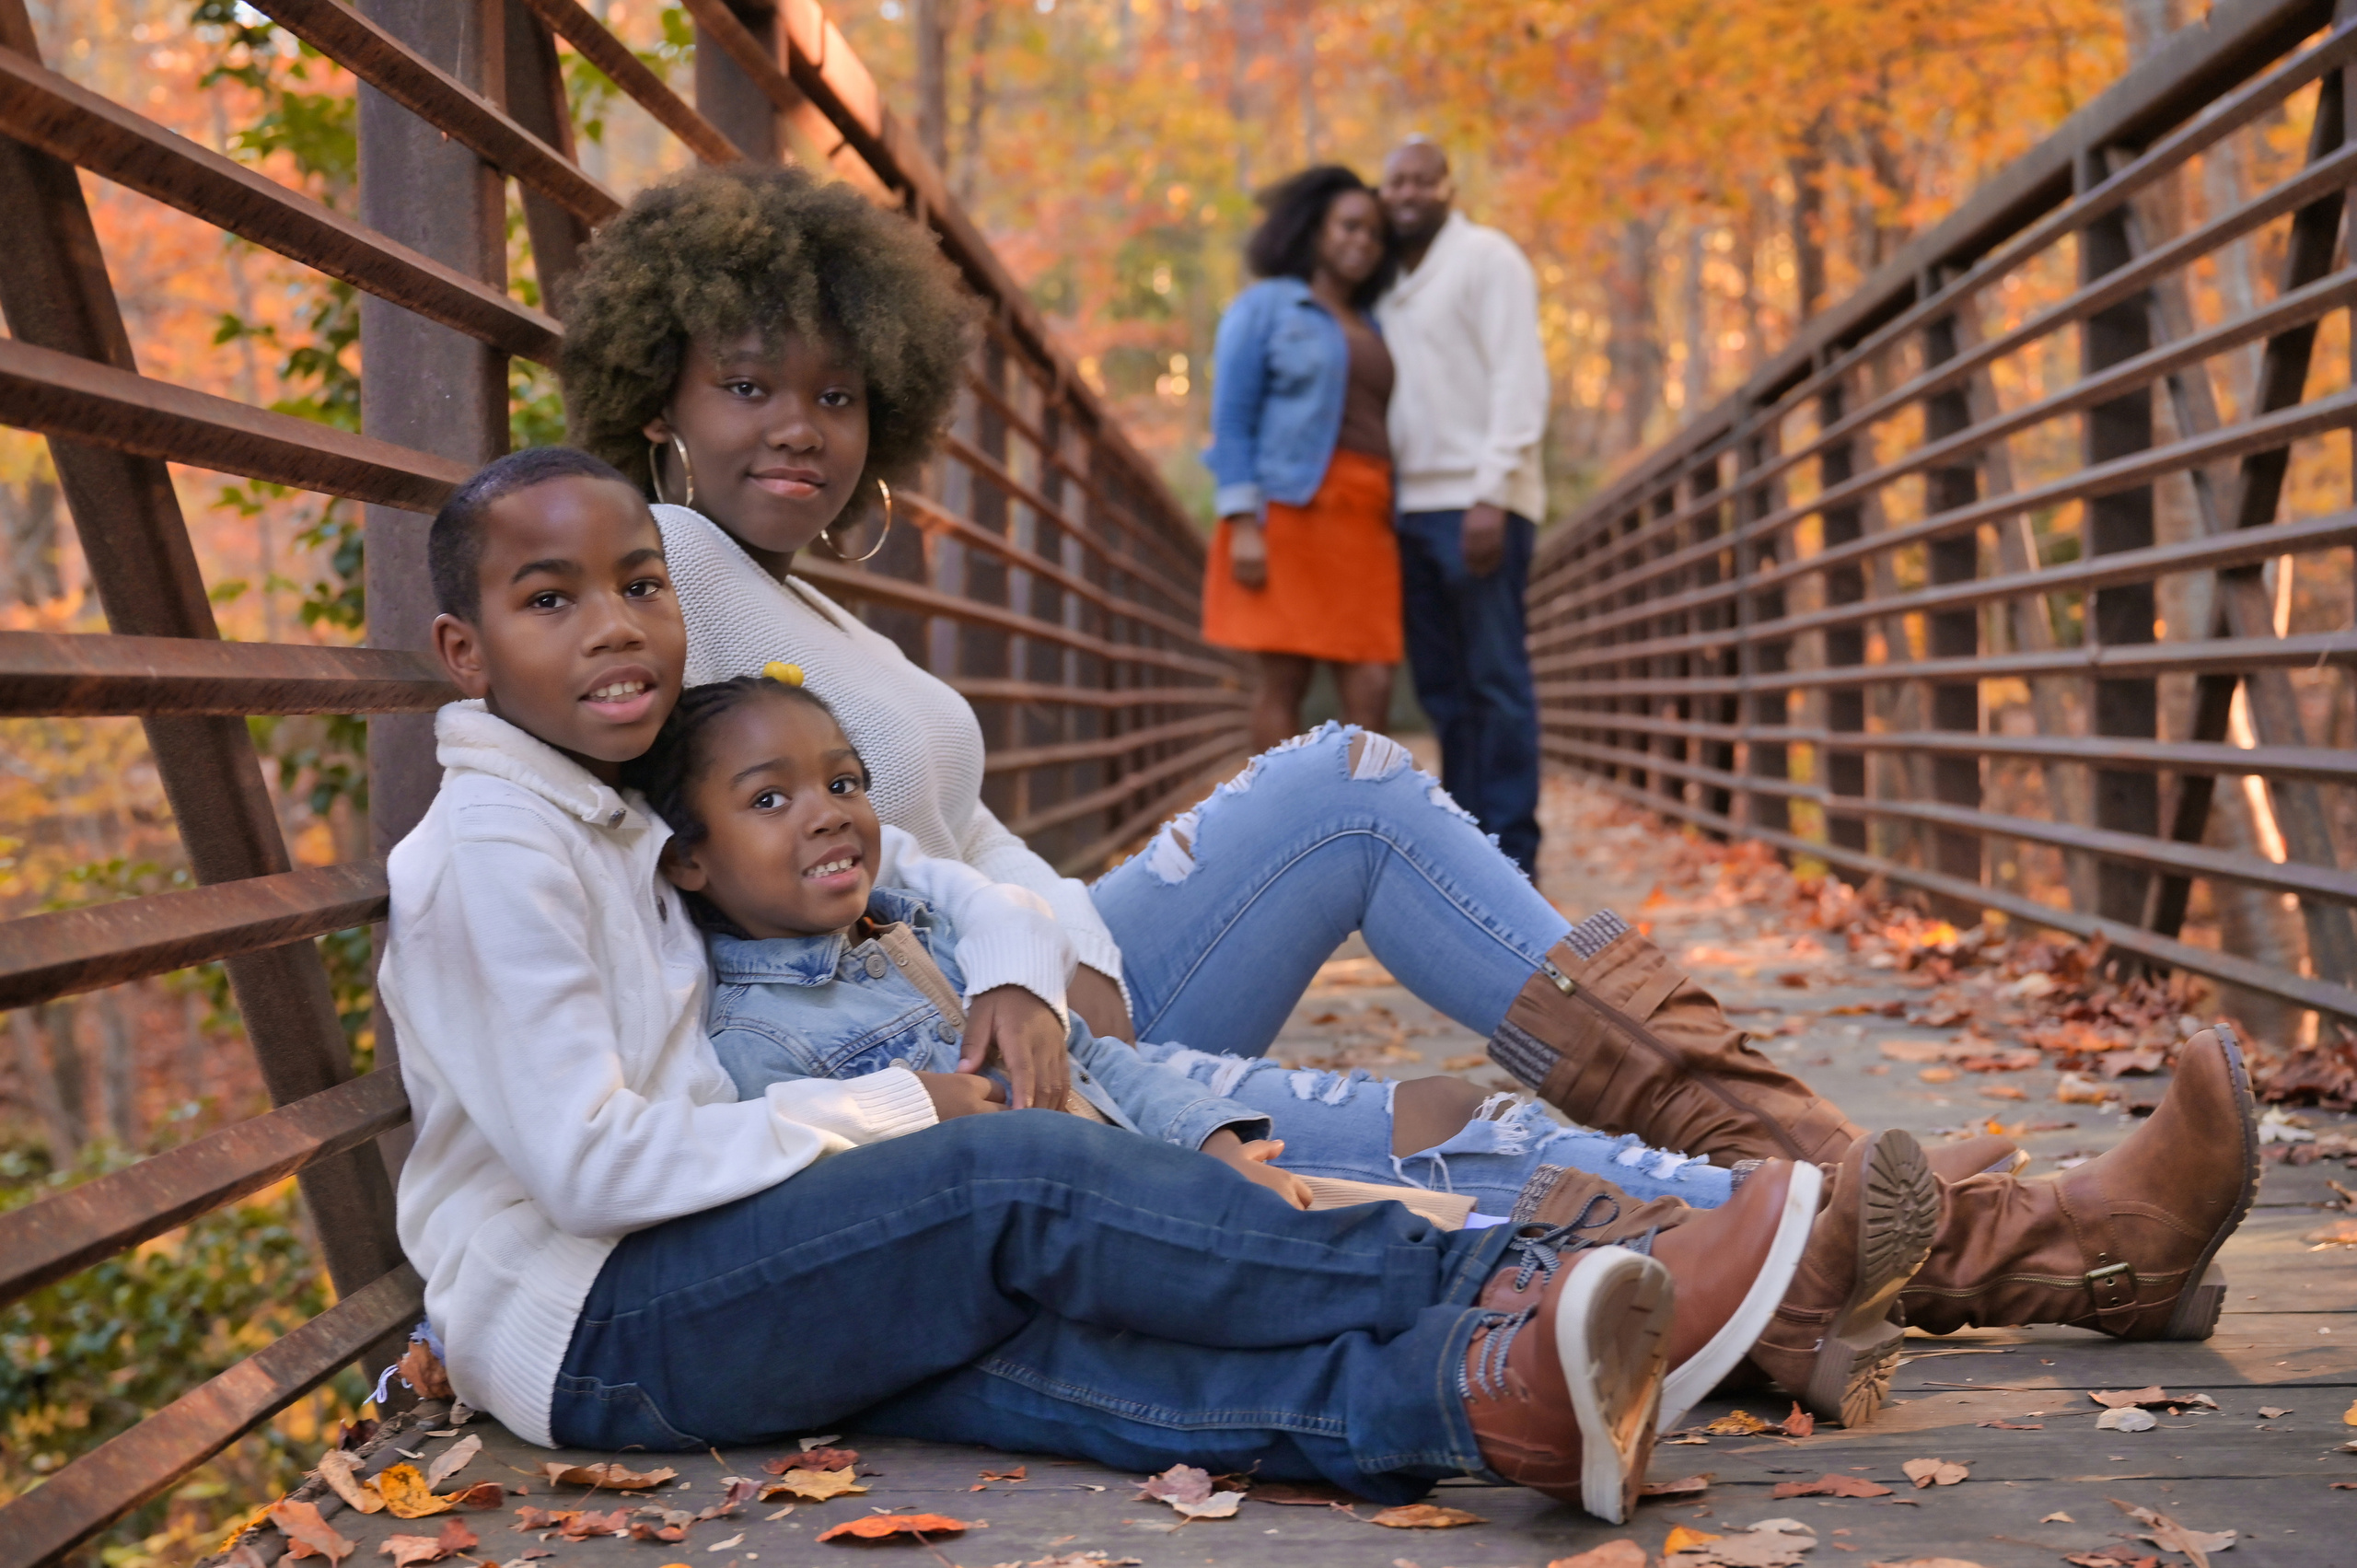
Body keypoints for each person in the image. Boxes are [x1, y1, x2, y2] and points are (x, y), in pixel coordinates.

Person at [552, 162, 2264, 1429]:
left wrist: (1027, 938)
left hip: (1019, 983)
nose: (802, 428)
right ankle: (1974, 1225)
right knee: (1357, 804)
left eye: (838, 395)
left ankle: (1848, 1180)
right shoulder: (668, 580)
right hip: (934, 1055)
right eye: (750, 386)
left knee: (1361, 796)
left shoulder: (807, 597)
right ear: (658, 397)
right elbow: (670, 893)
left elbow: (964, 851)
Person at [378, 443, 1827, 1519]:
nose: (615, 625)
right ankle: (1522, 1276)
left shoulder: (618, 797)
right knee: (1009, 1177)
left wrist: (1011, 970)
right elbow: (588, 1163)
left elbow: (943, 881)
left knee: (1019, 1342)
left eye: (640, 586)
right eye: (550, 601)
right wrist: (914, 1103)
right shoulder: (498, 852)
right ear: (466, 650)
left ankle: (1476, 1392)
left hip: (676, 1271)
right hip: (608, 1307)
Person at [1376, 137, 1549, 876]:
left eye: (1422, 180)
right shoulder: (1385, 282)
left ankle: (1515, 855)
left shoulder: (1488, 258)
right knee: (1445, 692)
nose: (1408, 193)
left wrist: (1492, 492)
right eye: (1395, 182)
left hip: (1479, 504)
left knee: (1495, 682)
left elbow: (1520, 376)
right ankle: (1471, 855)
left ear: (1449, 186)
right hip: (1408, 511)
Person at [1201, 165, 1402, 751]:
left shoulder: (1374, 323)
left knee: (1373, 676)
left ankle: (1362, 827)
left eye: (1374, 234)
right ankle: (1284, 833)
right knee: (1285, 680)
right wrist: (1242, 522)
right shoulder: (1267, 306)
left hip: (1367, 514)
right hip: (1289, 509)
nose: (1362, 242)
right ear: (1315, 229)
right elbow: (1232, 417)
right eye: (1349, 226)